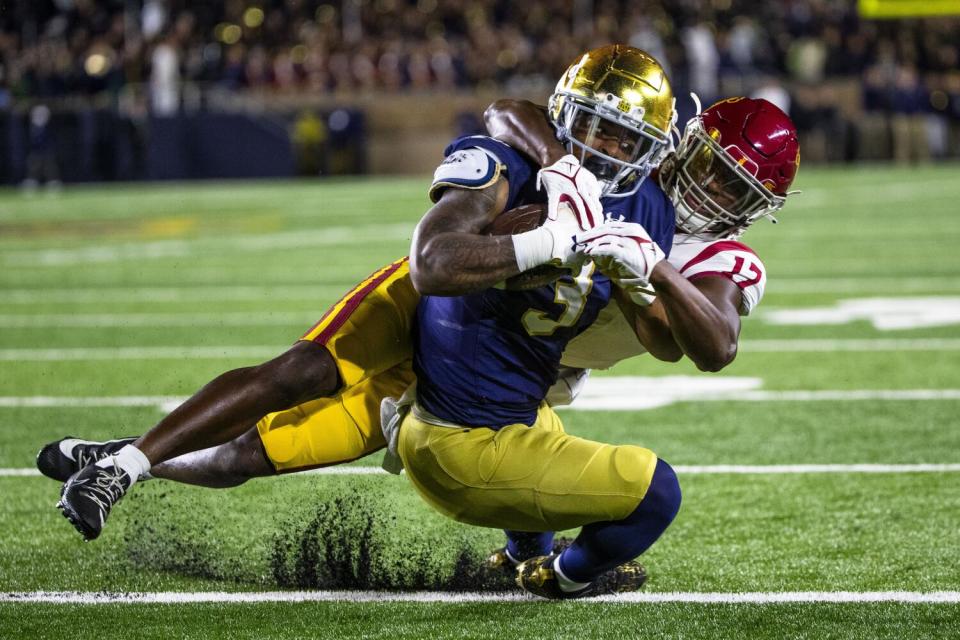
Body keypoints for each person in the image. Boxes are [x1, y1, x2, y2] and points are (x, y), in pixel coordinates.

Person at [39, 54, 799, 599]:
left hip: (524, 356)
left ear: (753, 207)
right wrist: (562, 170)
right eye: (705, 164)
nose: (705, 188)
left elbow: (698, 342)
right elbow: (510, 114)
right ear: (684, 140)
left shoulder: (711, 252)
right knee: (302, 371)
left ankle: (134, 455)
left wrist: (647, 269)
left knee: (268, 449)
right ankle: (132, 461)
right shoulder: (608, 157)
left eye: (730, 186)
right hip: (452, 292)